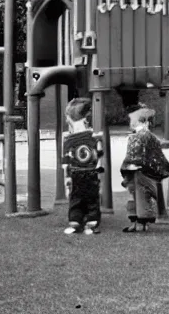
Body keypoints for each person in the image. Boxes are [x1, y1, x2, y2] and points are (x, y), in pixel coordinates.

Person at [120, 105, 169, 233]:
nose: (131, 123)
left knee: (139, 195)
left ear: (142, 121)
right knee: (140, 196)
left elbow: (134, 156)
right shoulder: (149, 136)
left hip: (139, 171)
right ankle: (139, 222)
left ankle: (139, 222)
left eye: (133, 121)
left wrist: (128, 168)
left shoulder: (139, 136)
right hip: (143, 170)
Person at [62, 98, 104, 235]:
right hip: (90, 173)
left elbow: (65, 162)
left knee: (76, 198)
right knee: (92, 198)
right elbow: (99, 155)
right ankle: (91, 223)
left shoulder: (68, 140)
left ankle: (75, 221)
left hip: (75, 173)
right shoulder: (93, 137)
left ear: (69, 120)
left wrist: (66, 178)